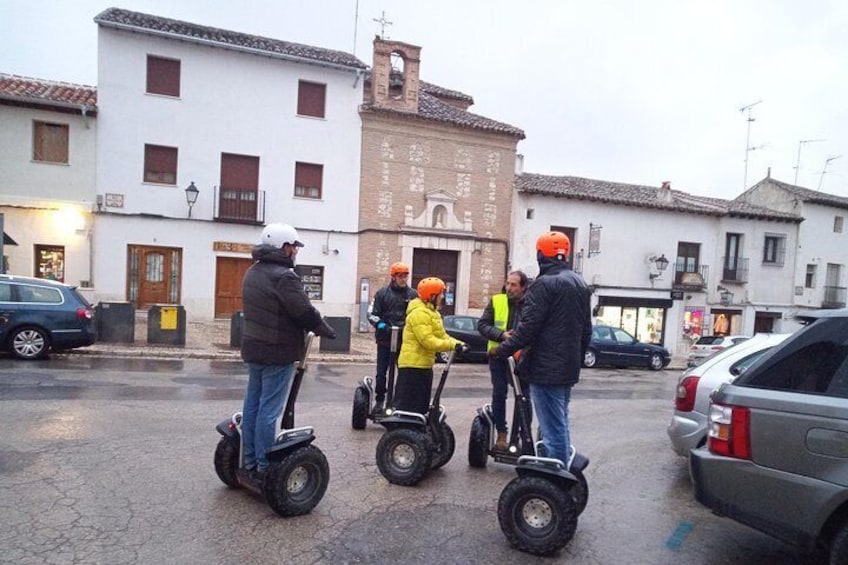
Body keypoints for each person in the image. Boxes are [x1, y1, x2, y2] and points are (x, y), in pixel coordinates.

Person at [239, 222, 337, 486]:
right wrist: (325, 329)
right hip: (277, 351)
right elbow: (303, 310)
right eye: (294, 246)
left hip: (254, 348)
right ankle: (264, 466)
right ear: (284, 247)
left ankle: (248, 461)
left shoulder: (253, 271)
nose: (296, 251)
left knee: (253, 405)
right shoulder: (284, 276)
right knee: (269, 410)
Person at [489, 231, 592, 466]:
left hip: (545, 369)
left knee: (552, 428)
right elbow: (586, 331)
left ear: (540, 255)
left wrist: (501, 350)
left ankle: (555, 480)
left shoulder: (543, 285)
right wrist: (575, 359)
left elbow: (528, 329)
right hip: (567, 369)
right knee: (560, 421)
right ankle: (554, 469)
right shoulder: (580, 284)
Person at [393, 277, 465, 415]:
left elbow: (442, 336)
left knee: (422, 406)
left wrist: (460, 344)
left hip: (424, 365)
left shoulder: (433, 313)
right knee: (408, 408)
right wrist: (451, 345)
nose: (443, 297)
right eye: (441, 293)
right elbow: (428, 341)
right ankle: (402, 434)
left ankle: (418, 433)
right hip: (412, 367)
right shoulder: (419, 313)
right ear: (432, 295)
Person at [477, 270, 529, 451]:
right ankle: (501, 433)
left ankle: (523, 435)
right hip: (498, 354)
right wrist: (502, 335)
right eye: (508, 283)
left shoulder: (531, 304)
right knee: (499, 393)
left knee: (523, 397)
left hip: (521, 357)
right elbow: (482, 325)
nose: (509, 288)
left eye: (514, 285)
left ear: (523, 287)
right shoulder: (497, 300)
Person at [368, 262, 418, 412]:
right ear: (393, 277)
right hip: (385, 339)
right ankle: (380, 400)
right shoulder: (382, 293)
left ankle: (399, 402)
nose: (403, 279)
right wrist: (380, 324)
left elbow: (416, 315)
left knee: (403, 373)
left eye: (405, 276)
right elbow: (372, 313)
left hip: (404, 340)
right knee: (381, 372)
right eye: (400, 276)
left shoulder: (413, 295)